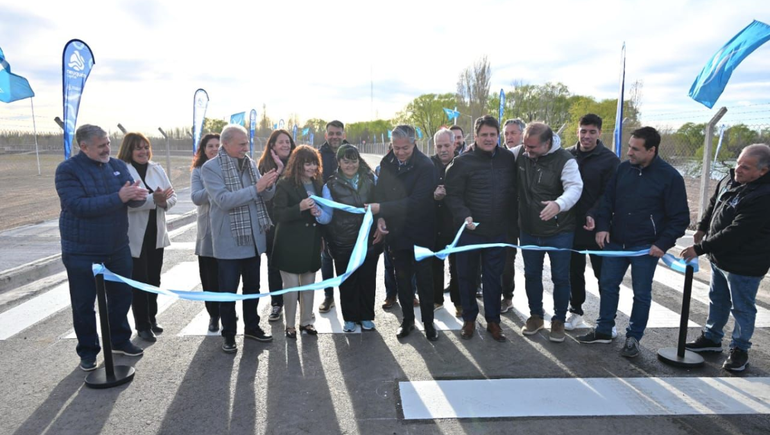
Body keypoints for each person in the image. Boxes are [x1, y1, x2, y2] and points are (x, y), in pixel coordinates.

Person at [578, 127, 689, 359]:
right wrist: (602, 226)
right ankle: (604, 330)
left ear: (652, 150)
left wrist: (663, 243)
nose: (629, 152)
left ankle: (633, 337)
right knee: (607, 286)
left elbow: (680, 218)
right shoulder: (623, 170)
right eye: (629, 147)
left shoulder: (670, 177)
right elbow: (607, 200)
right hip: (615, 243)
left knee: (641, 293)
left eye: (635, 149)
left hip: (645, 248)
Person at [55, 124, 147, 371]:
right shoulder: (67, 171)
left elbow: (129, 199)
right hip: (81, 250)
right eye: (101, 145)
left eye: (108, 143)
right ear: (84, 147)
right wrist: (119, 197)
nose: (108, 149)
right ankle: (88, 350)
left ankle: (119, 339)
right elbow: (78, 206)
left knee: (121, 296)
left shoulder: (117, 166)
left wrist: (138, 197)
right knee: (84, 303)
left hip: (117, 246)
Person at [682, 144, 770, 372]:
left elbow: (737, 232)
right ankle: (712, 338)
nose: (738, 169)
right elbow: (714, 203)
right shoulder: (732, 179)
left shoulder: (763, 196)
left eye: (745, 167)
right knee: (717, 299)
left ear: (763, 171)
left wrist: (699, 248)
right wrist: (702, 227)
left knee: (742, 308)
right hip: (720, 258)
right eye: (738, 162)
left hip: (745, 264)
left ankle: (740, 349)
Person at [202, 124, 278, 353]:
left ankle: (252, 327)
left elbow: (263, 196)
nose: (247, 147)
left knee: (252, 288)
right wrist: (257, 187)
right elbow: (224, 200)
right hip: (230, 241)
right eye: (242, 143)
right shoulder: (210, 168)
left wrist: (268, 186)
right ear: (226, 144)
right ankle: (228, 334)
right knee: (228, 291)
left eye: (247, 143)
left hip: (254, 239)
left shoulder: (250, 163)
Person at [445, 116, 518, 342]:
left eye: (493, 135)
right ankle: (469, 319)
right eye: (484, 135)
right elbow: (453, 195)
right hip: (470, 231)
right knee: (466, 276)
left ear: (498, 136)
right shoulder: (462, 162)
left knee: (493, 278)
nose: (488, 139)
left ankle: (494, 321)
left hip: (497, 231)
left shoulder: (508, 159)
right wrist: (463, 214)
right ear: (475, 137)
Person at [510, 122, 583, 343]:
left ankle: (559, 319)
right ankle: (536, 316)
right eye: (525, 146)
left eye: (532, 147)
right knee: (531, 274)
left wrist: (559, 204)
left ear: (548, 143)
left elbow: (575, 187)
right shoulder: (521, 152)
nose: (527, 152)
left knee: (561, 277)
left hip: (559, 230)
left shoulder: (565, 160)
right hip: (529, 229)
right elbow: (499, 155)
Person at [370, 125, 439, 341]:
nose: (400, 152)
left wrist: (382, 209)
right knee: (402, 279)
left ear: (414, 143)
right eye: (396, 147)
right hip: (397, 232)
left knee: (425, 280)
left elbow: (416, 202)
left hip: (421, 232)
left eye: (405, 148)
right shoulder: (387, 162)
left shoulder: (426, 166)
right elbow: (379, 193)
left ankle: (429, 323)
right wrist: (380, 218)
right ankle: (407, 320)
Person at [118, 132, 177, 342]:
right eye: (138, 148)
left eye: (146, 147)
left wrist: (162, 202)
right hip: (135, 236)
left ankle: (152, 317)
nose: (143, 151)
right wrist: (154, 199)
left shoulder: (156, 168)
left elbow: (172, 196)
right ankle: (141, 325)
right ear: (129, 150)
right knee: (139, 281)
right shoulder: (121, 170)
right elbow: (127, 203)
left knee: (154, 279)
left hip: (156, 233)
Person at [316, 144, 382, 332]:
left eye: (354, 161)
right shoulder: (330, 185)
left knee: (368, 279)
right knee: (347, 281)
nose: (350, 165)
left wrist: (380, 223)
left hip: (368, 239)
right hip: (341, 241)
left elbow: (379, 205)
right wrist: (317, 213)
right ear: (338, 162)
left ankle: (367, 316)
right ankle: (350, 318)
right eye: (346, 161)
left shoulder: (371, 179)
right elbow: (327, 215)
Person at [564, 114, 620, 333]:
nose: (586, 136)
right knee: (573, 272)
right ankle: (575, 311)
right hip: (570, 226)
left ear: (599, 133)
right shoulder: (566, 155)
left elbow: (609, 193)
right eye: (583, 131)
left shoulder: (610, 160)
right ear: (577, 131)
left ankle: (608, 321)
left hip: (600, 228)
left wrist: (593, 214)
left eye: (592, 132)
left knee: (604, 275)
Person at [272, 145, 325, 339]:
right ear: (297, 164)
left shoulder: (319, 184)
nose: (311, 168)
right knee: (292, 287)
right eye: (307, 163)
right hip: (289, 244)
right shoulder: (285, 184)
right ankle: (290, 325)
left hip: (311, 242)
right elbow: (277, 214)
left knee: (309, 286)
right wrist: (300, 207)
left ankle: (306, 323)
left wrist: (322, 236)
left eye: (314, 163)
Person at [257, 129, 296, 323]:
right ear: (272, 145)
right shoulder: (263, 166)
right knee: (274, 266)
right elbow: (263, 194)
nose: (285, 145)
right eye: (281, 142)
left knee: (295, 266)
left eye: (288, 142)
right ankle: (276, 303)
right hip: (272, 224)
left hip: (294, 223)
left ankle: (296, 304)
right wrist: (279, 170)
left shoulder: (298, 164)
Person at [191, 133, 222, 332]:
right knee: (209, 277)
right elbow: (196, 197)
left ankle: (226, 309)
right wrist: (214, 187)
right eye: (210, 146)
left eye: (218, 145)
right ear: (203, 149)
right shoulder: (198, 171)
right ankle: (213, 315)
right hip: (208, 231)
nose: (214, 149)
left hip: (227, 230)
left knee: (227, 276)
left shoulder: (229, 167)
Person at [317, 120, 347, 313]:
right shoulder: (318, 155)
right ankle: (329, 296)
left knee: (347, 258)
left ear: (343, 134)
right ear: (326, 135)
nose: (335, 136)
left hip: (348, 216)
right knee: (326, 258)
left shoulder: (351, 152)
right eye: (332, 133)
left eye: (338, 133)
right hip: (326, 214)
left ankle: (348, 296)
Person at [430, 128, 460, 316]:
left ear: (454, 144)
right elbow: (418, 192)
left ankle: (459, 302)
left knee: (457, 265)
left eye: (446, 145)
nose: (443, 150)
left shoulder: (462, 163)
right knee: (435, 264)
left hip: (456, 223)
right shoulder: (427, 165)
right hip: (434, 223)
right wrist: (433, 195)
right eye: (439, 146)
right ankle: (436, 300)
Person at [500, 118, 526, 314]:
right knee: (506, 260)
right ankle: (507, 297)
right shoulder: (499, 156)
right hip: (506, 217)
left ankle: (537, 309)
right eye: (506, 133)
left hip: (529, 217)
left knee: (533, 266)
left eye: (513, 133)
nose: (509, 137)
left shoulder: (531, 154)